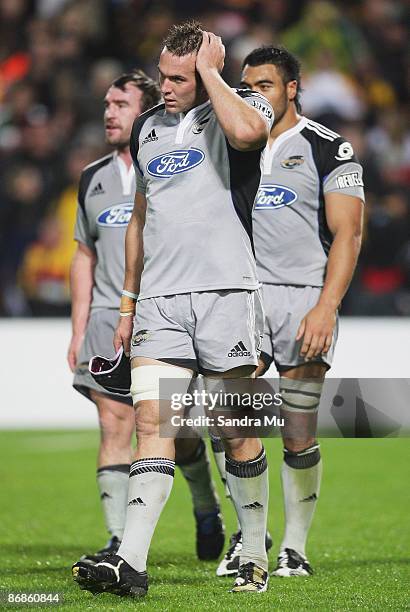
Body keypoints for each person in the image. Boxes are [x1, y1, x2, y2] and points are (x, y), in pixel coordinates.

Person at [72, 20, 274, 598]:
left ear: (206, 71)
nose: (165, 87)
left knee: (235, 428)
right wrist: (129, 301)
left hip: (226, 292)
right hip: (160, 299)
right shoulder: (147, 129)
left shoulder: (240, 106)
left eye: (178, 78)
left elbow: (247, 136)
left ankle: (253, 548)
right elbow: (140, 218)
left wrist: (212, 75)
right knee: (152, 423)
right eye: (161, 75)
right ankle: (130, 561)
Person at [217, 45, 365, 578]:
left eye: (265, 85)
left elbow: (349, 233)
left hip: (304, 297)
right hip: (243, 299)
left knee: (298, 430)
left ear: (291, 88)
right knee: (230, 422)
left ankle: (294, 548)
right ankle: (250, 542)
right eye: (247, 86)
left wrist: (326, 307)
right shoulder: (232, 146)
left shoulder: (330, 149)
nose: (255, 94)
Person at [68, 69, 223, 568]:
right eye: (106, 104)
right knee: (114, 422)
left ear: (147, 110)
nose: (109, 113)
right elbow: (82, 254)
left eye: (120, 104)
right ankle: (118, 541)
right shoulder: (93, 177)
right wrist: (78, 327)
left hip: (164, 315)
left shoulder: (178, 163)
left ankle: (204, 503)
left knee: (174, 431)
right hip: (107, 321)